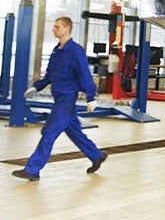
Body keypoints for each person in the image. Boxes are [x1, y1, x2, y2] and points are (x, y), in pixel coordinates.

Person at [12, 16, 107, 182]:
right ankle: (96, 155)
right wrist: (37, 86)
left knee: (49, 132)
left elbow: (84, 74)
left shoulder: (75, 50)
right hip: (59, 97)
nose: (53, 30)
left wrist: (91, 96)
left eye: (57, 27)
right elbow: (50, 74)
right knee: (74, 131)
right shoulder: (57, 50)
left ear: (67, 29)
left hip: (67, 99)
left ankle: (32, 169)